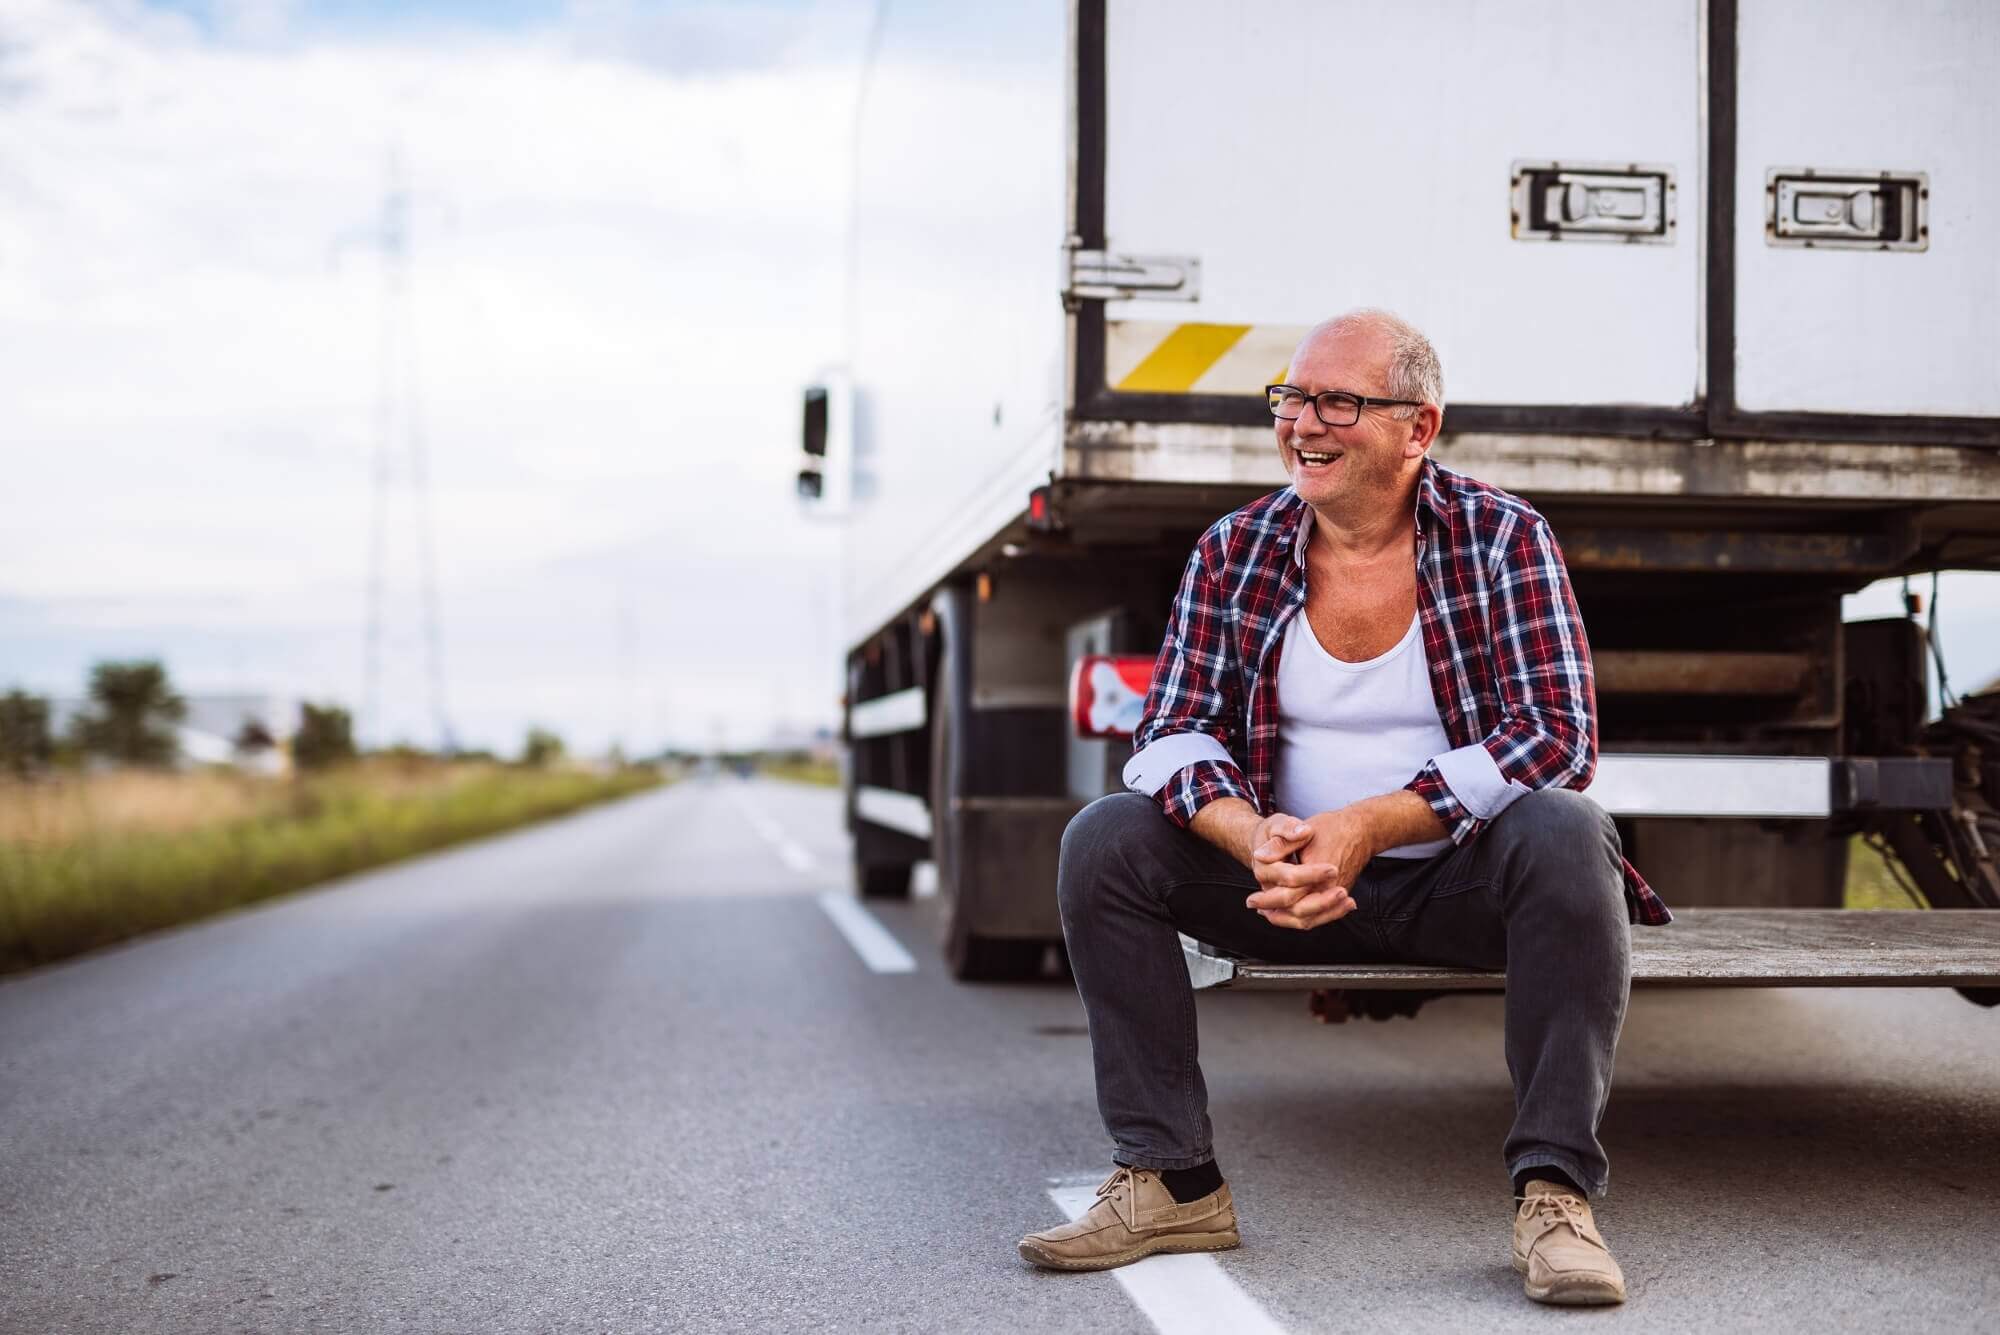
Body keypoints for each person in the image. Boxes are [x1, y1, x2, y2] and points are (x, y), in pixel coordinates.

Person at [1017, 310, 1670, 1306]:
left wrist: (1368, 825)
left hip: (1453, 888)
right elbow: (1169, 733)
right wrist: (1255, 838)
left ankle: (1554, 1194)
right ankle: (1172, 1182)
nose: (1303, 423)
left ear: (1418, 428)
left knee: (1567, 829)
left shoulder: (1501, 537)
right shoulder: (1235, 548)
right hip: (1283, 888)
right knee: (1104, 838)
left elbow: (1555, 736)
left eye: (1338, 401)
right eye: (1291, 397)